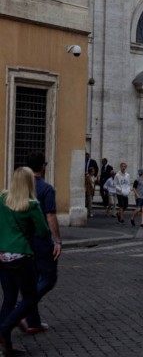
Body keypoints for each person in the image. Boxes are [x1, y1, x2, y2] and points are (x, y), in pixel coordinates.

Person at [0, 167, 51, 356]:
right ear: (29, 183)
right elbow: (44, 232)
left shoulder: (2, 199)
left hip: (2, 256)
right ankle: (4, 328)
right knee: (29, 299)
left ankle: (6, 347)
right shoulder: (32, 205)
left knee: (9, 298)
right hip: (21, 256)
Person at [22, 152, 62, 335]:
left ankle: (33, 321)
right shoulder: (46, 189)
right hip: (41, 238)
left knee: (32, 279)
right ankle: (21, 310)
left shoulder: (20, 188)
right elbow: (51, 216)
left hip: (24, 239)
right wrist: (57, 240)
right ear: (43, 167)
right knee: (48, 278)